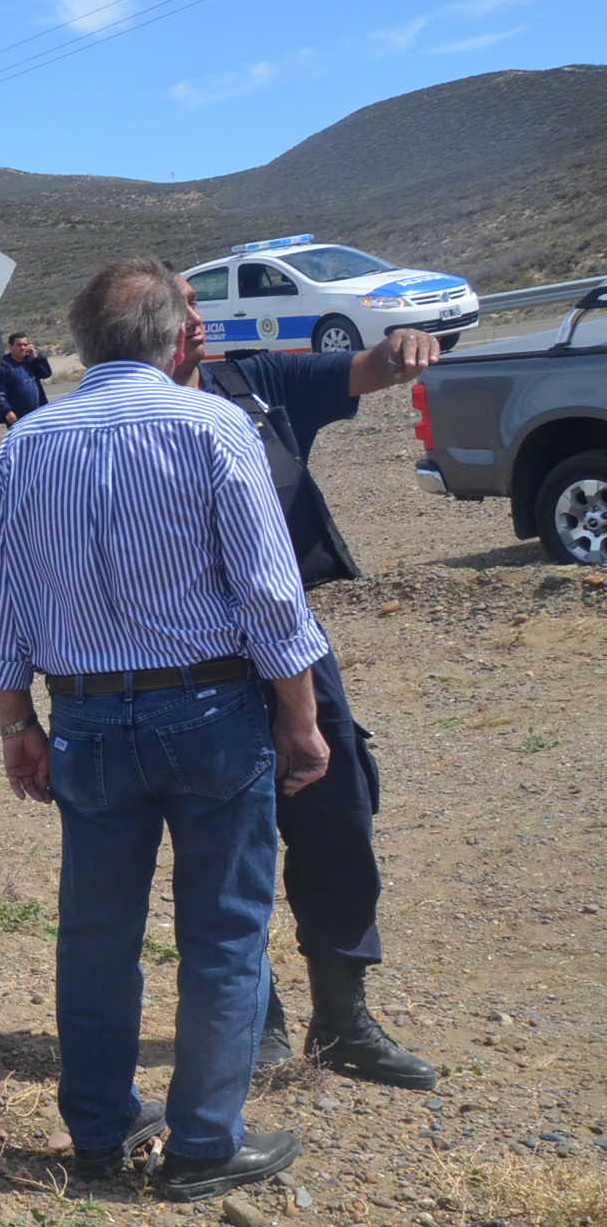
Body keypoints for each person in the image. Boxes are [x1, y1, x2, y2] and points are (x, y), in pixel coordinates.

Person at [0, 256, 330, 1201]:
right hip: (211, 708)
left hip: (85, 718)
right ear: (175, 337)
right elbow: (267, 590)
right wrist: (302, 716)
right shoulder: (214, 425)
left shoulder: (27, 445)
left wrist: (17, 723)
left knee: (95, 937)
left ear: (84, 345)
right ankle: (205, 1144)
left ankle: (98, 1135)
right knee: (223, 933)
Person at [173, 287, 442, 1090]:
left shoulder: (255, 384)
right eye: (177, 305)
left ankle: (344, 1019)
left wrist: (402, 345)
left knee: (337, 816)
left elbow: (365, 368)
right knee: (225, 842)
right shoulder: (125, 420)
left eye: (195, 302)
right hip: (193, 663)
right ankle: (257, 1020)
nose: (194, 319)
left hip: (293, 647)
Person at [0, 332, 52, 425]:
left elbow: (46, 374)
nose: (23, 348)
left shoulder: (31, 362)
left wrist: (36, 358)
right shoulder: (5, 368)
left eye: (25, 345)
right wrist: (7, 411)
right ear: (11, 347)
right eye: (19, 345)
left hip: (38, 412)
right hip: (18, 416)